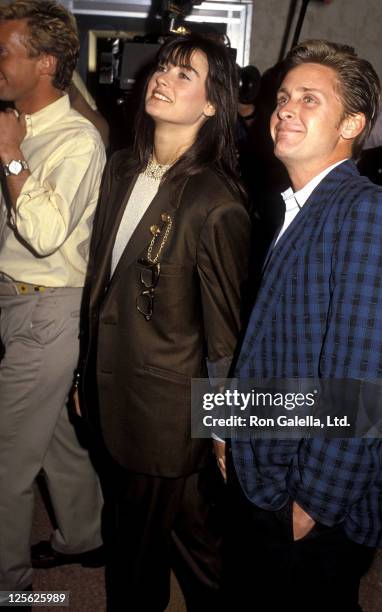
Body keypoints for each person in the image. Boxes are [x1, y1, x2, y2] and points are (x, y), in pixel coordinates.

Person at [228, 39, 382, 610]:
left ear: (353, 123)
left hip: (314, 496)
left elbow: (375, 387)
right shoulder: (295, 208)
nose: (285, 108)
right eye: (284, 97)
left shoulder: (371, 212)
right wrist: (226, 429)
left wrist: (312, 504)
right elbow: (274, 344)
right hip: (269, 465)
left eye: (309, 99)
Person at [78, 34, 250, 611]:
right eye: (164, 68)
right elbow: (101, 287)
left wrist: (225, 426)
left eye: (185, 75)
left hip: (167, 411)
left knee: (134, 548)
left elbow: (224, 328)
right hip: (114, 391)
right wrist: (85, 375)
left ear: (210, 104)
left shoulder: (215, 200)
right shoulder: (123, 168)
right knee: (189, 542)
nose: (164, 79)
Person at [0, 0, 106, 597]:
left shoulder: (76, 141)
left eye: (3, 51)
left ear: (44, 63)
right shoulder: (16, 124)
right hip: (18, 302)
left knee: (5, 461)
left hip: (47, 310)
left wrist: (11, 156)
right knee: (54, 440)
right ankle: (85, 537)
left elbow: (43, 236)